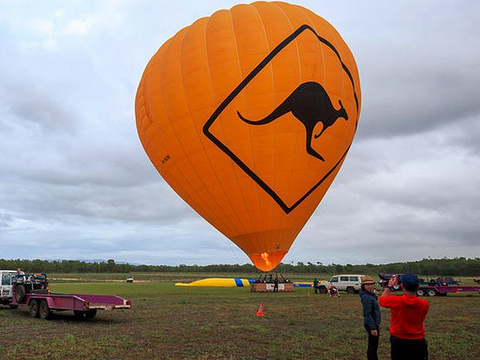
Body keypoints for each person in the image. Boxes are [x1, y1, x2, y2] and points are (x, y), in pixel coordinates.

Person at [379, 273, 430, 360]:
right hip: (418, 340)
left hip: (398, 340)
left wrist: (389, 287)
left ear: (402, 286)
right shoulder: (425, 304)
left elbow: (382, 300)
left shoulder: (395, 301)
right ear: (418, 287)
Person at [359, 275, 381, 360]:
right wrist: (373, 328)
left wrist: (375, 296)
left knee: (373, 345)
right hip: (371, 323)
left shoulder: (369, 295)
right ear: (363, 286)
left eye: (372, 284)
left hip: (373, 322)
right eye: (367, 285)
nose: (370, 286)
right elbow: (367, 314)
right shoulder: (366, 297)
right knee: (373, 346)